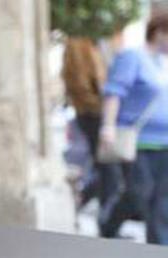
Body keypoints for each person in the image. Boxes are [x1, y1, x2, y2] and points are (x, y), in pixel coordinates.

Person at [100, 14, 168, 244]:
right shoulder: (133, 57)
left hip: (165, 144)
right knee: (139, 194)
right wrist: (108, 126)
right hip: (137, 140)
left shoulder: (163, 64)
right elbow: (114, 92)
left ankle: (159, 252)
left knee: (162, 202)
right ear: (160, 32)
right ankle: (108, 223)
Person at [62, 36, 109, 210]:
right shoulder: (81, 46)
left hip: (88, 113)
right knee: (107, 170)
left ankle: (92, 207)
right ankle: (86, 204)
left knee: (105, 169)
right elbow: (88, 82)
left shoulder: (88, 47)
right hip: (93, 114)